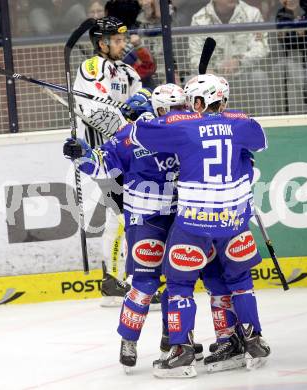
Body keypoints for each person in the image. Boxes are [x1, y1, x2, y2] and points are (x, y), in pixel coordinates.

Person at [130, 74, 270, 378]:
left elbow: (141, 134)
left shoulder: (182, 126)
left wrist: (139, 114)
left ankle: (181, 352)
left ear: (196, 102)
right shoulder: (240, 124)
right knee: (239, 281)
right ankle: (251, 339)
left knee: (180, 285)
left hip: (194, 223)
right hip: (232, 221)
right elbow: (260, 139)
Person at [63, 83, 201, 371]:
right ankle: (136, 341)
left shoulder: (183, 132)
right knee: (147, 283)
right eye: (171, 109)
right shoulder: (133, 136)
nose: (176, 114)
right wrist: (81, 154)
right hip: (147, 220)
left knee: (173, 284)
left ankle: (171, 340)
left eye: (180, 108)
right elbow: (101, 164)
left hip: (177, 217)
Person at [73, 16, 142, 306]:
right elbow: (90, 106)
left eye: (122, 39)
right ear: (101, 43)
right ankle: (114, 281)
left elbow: (142, 102)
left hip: (122, 153)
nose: (122, 43)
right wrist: (124, 120)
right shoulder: (93, 67)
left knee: (123, 216)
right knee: (123, 215)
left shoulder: (126, 71)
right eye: (116, 40)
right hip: (98, 154)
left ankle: (114, 279)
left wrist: (141, 109)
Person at [189, 0, 271, 116]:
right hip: (213, 78)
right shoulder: (199, 19)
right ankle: (200, 124)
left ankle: (264, 122)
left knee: (259, 76)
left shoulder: (252, 14)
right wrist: (207, 73)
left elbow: (261, 48)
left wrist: (239, 61)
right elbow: (195, 56)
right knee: (191, 80)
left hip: (244, 72)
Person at [104, 0, 157, 88]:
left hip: (142, 88)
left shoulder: (134, 36)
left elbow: (149, 67)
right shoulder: (107, 42)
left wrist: (139, 46)